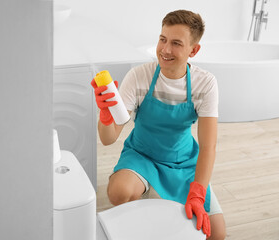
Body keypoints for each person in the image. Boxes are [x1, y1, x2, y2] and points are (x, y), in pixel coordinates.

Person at [91, 10, 226, 240]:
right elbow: (108, 138)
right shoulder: (139, 76)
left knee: (216, 234)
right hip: (142, 155)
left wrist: (197, 192)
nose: (165, 50)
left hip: (182, 162)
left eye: (176, 43)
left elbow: (207, 147)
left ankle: (161, 195)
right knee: (119, 192)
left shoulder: (206, 84)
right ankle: (141, 193)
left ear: (194, 50)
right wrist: (106, 115)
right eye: (163, 39)